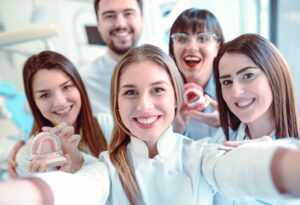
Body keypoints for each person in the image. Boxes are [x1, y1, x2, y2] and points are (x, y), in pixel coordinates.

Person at [1, 44, 300, 205]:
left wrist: (288, 165)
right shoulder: (105, 168)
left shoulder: (203, 156)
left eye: (157, 90)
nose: (144, 106)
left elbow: (243, 168)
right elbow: (75, 192)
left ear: (175, 98)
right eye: (130, 92)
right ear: (116, 103)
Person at [212, 33, 300, 205]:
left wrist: (270, 157)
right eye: (227, 82)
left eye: (248, 76)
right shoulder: (220, 140)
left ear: (274, 75)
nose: (236, 92)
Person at [8, 51, 112, 177]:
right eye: (44, 95)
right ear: (33, 103)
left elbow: (124, 186)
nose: (60, 102)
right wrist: (48, 186)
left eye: (66, 87)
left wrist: (78, 159)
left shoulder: (107, 125)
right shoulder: (26, 158)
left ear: (79, 86)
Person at [79, 0, 144, 114]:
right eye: (109, 16)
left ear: (142, 18)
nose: (120, 24)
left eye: (128, 13)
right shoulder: (83, 82)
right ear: (98, 23)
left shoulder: (166, 72)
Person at [169, 8, 224, 140]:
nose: (192, 47)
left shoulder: (232, 92)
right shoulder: (164, 94)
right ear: (172, 47)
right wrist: (174, 133)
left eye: (203, 38)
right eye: (182, 39)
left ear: (218, 47)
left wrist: (228, 125)